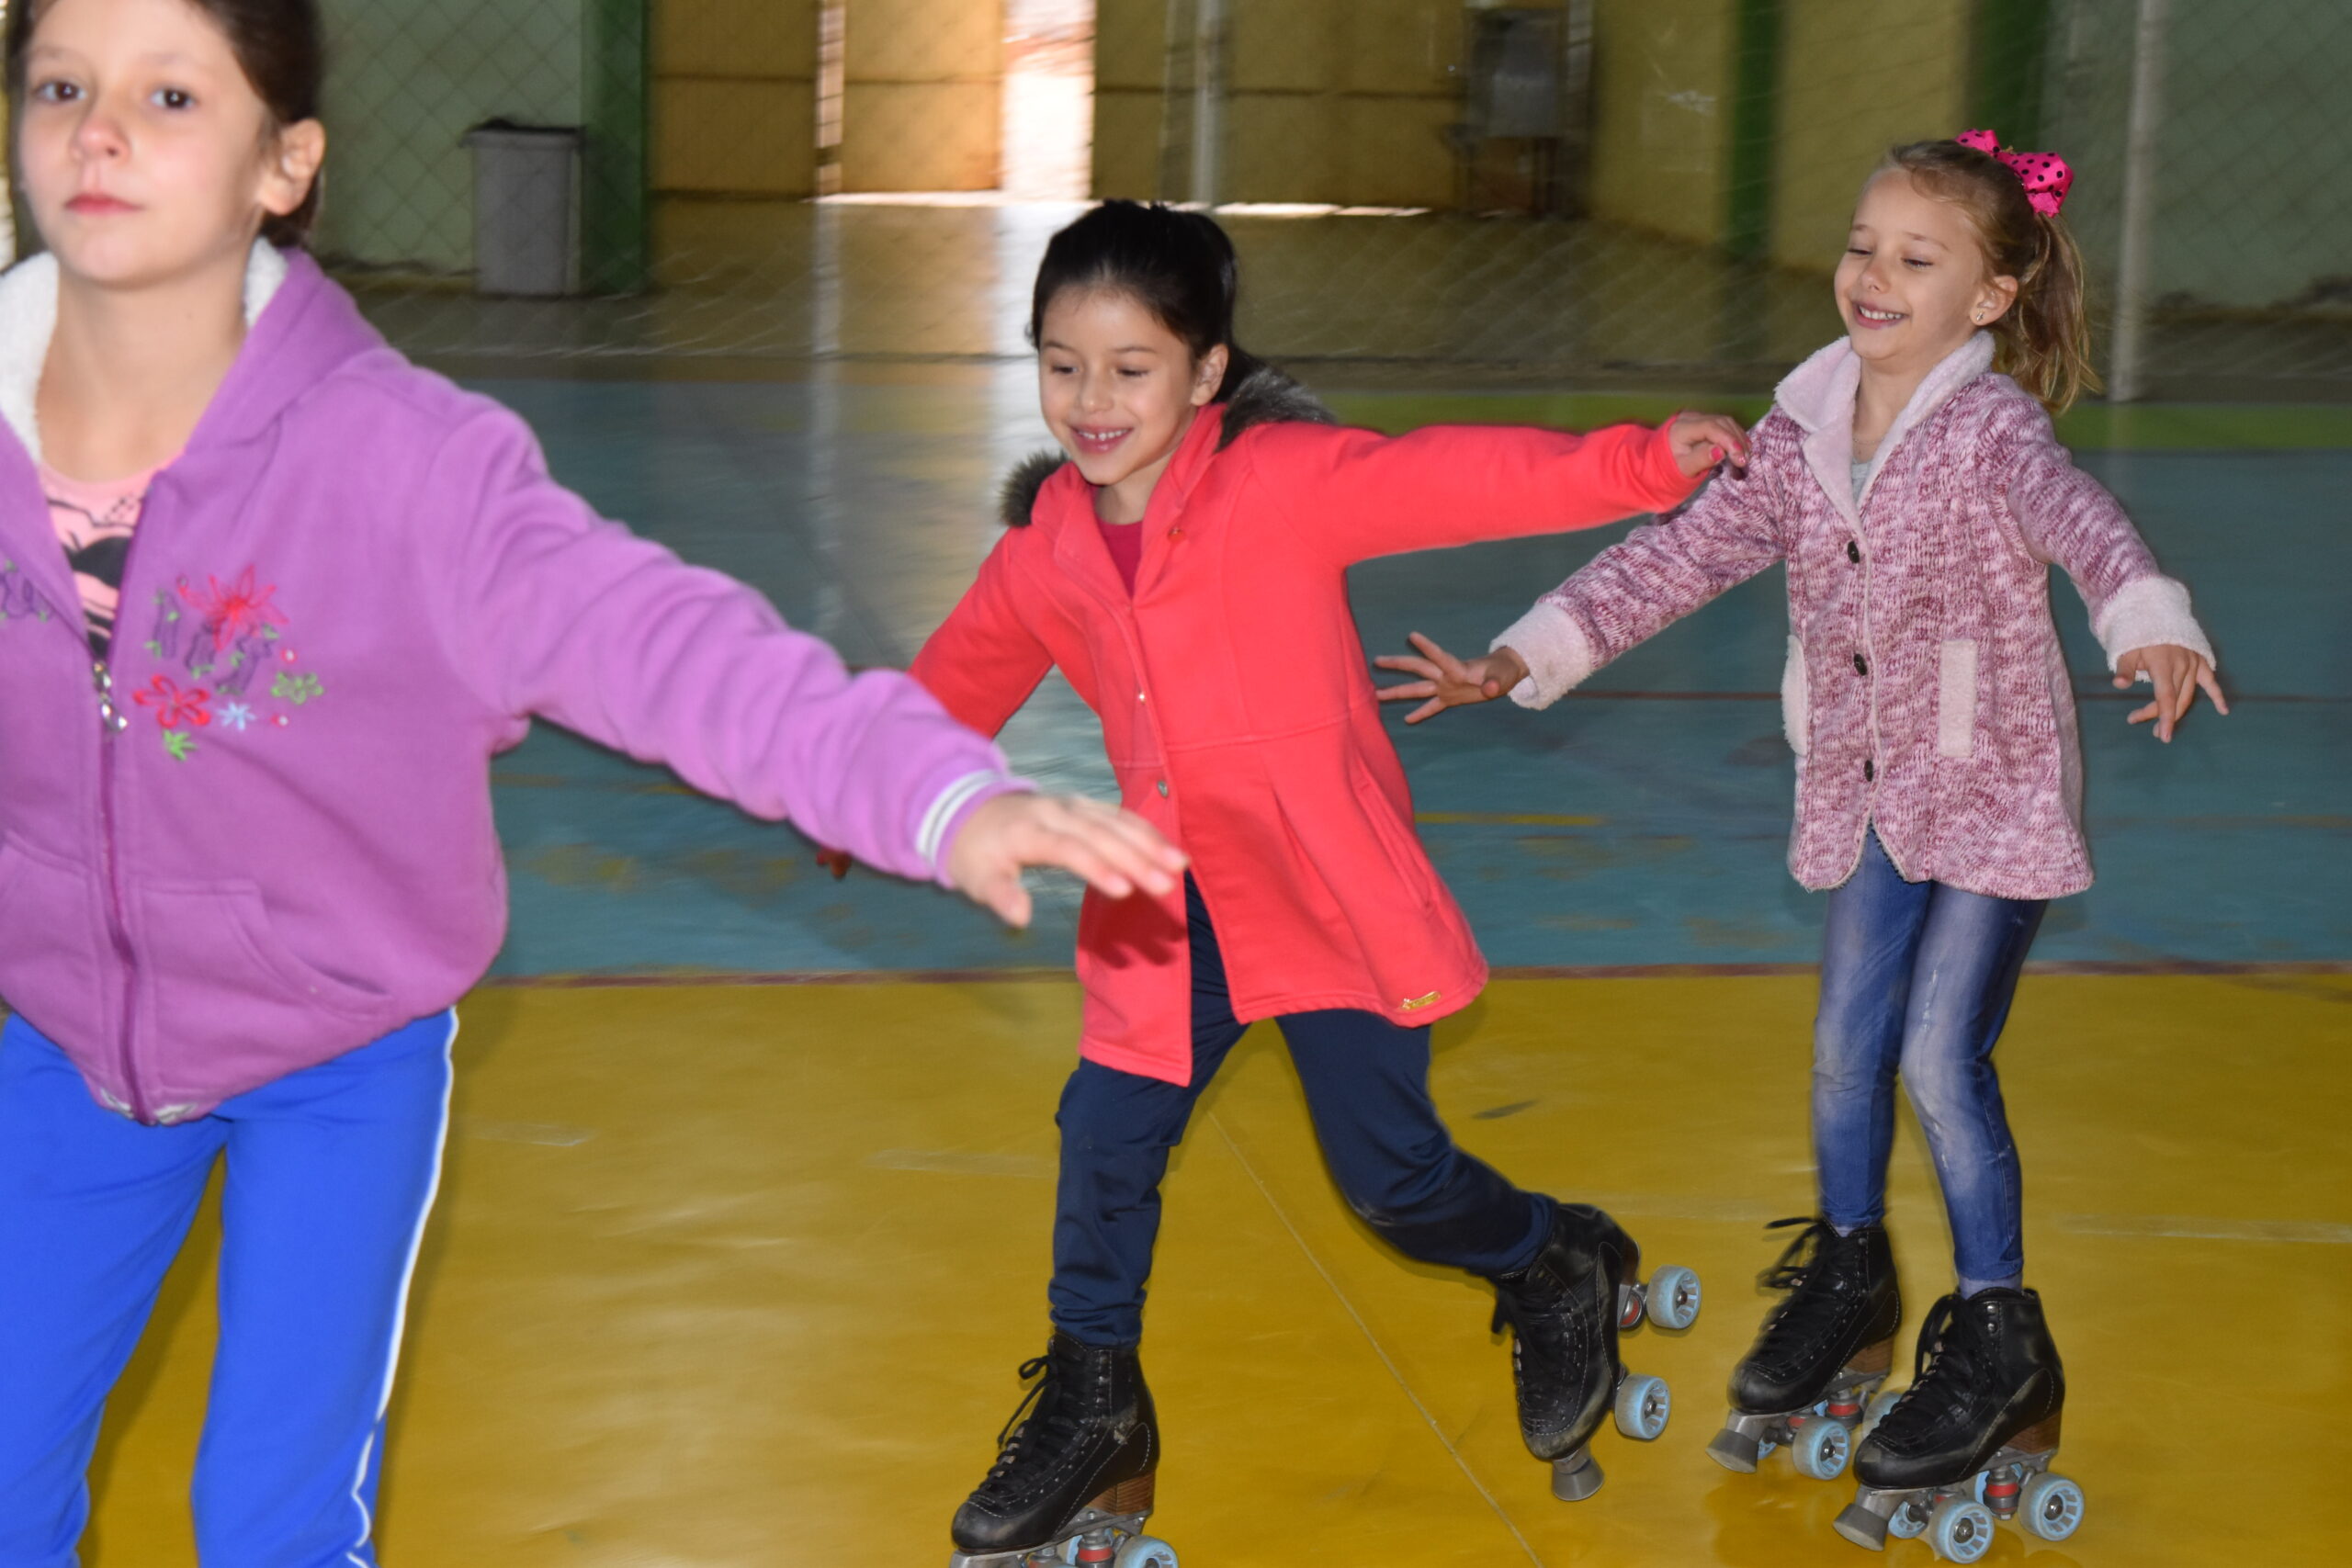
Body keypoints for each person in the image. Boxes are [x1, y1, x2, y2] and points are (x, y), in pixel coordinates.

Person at [0, 2, 1184, 1562]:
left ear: (284, 164)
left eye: (168, 94)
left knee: (269, 1522)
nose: (99, 131)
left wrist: (936, 793)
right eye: (61, 86)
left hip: (334, 1052)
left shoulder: (404, 462)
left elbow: (668, 643)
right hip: (64, 1039)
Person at [1376, 131, 2222, 1551]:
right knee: (1843, 1043)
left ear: (1992, 295)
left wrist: (2150, 623)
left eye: (1916, 257)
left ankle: (2001, 1331)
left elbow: (2089, 526)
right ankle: (1851, 1281)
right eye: (1862, 245)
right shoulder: (1802, 431)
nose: (1872, 276)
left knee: (1940, 1057)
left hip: (1995, 793)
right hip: (1874, 791)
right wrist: (1520, 657)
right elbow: (1679, 554)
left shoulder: (1993, 431)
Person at [911, 198, 1744, 1563]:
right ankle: (1094, 1405)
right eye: (1062, 363)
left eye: (1132, 367)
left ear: (1206, 372)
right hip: (1161, 897)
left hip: (1315, 890)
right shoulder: (1049, 545)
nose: (1093, 399)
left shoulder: (1283, 483)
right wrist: (855, 784)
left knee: (1395, 1185)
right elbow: (958, 679)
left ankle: (1549, 1258)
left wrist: (1644, 462)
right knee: (1104, 1142)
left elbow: (1467, 476)